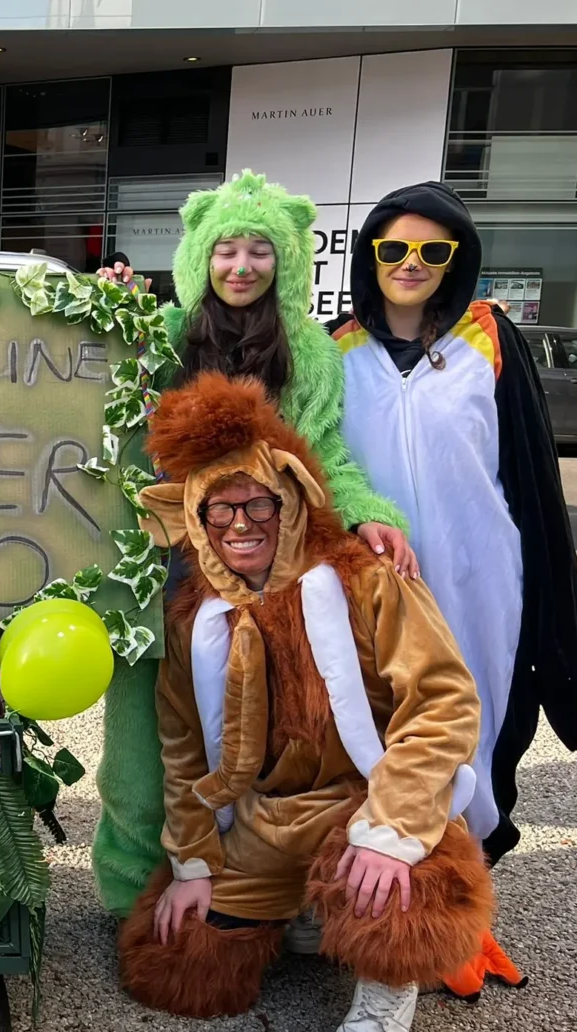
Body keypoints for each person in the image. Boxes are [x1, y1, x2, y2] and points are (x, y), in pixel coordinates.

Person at [120, 371, 492, 1031]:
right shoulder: (192, 620)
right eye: (219, 508)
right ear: (197, 518)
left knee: (399, 896)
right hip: (263, 821)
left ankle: (383, 991)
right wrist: (194, 863)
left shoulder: (366, 579)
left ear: (290, 496)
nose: (240, 524)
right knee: (178, 964)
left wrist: (394, 830)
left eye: (257, 503)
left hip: (363, 800)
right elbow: (183, 753)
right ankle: (294, 905)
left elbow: (443, 702)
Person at [91, 170, 412, 921]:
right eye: (225, 250)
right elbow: (100, 412)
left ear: (288, 259)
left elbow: (325, 452)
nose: (240, 267)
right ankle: (133, 894)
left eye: (259, 251)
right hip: (160, 560)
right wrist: (109, 310)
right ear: (199, 253)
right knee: (144, 741)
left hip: (264, 572)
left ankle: (251, 900)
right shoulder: (162, 333)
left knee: (256, 738)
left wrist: (365, 512)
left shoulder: (310, 352)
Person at [331, 182, 577, 999]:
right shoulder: (336, 349)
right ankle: (389, 910)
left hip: (479, 580)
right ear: (370, 255)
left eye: (433, 252)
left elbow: (535, 478)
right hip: (377, 590)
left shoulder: (491, 339)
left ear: (457, 261)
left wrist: (552, 604)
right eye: (395, 249)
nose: (412, 265)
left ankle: (468, 921)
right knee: (383, 739)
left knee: (474, 737)